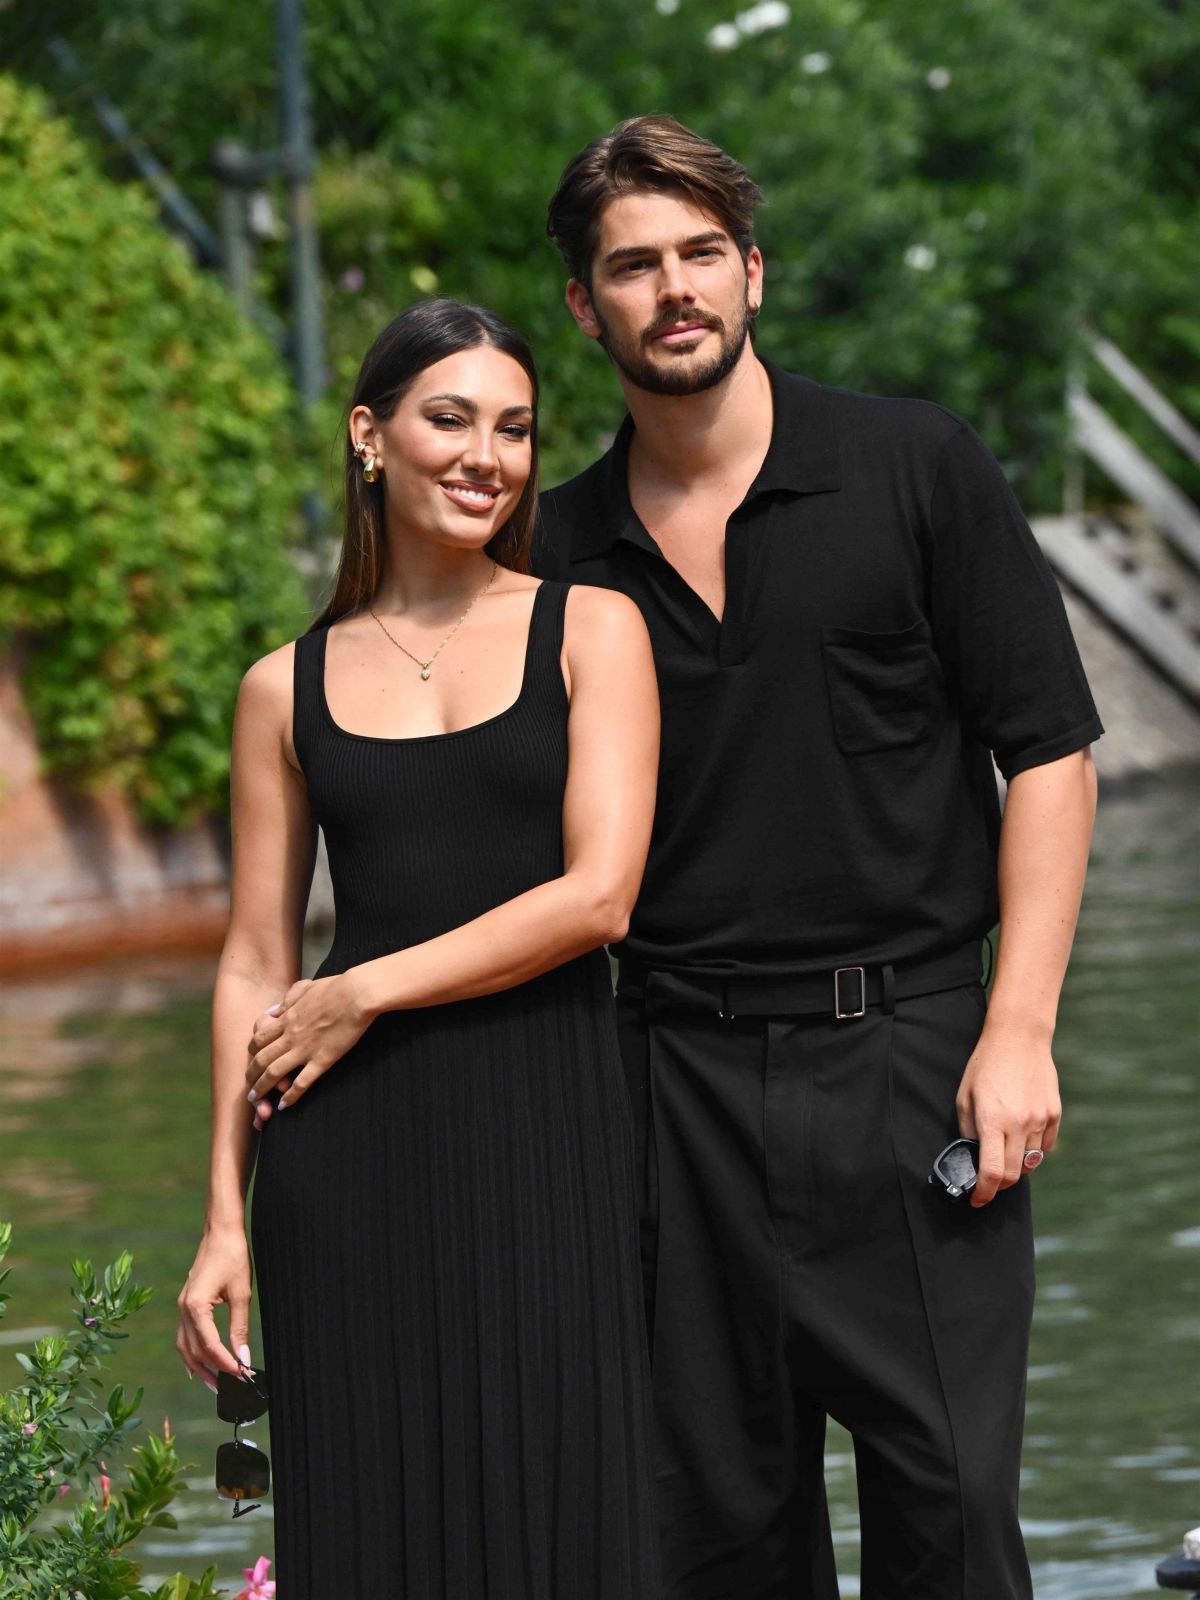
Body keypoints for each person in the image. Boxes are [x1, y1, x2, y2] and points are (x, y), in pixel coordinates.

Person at [536, 116, 1101, 1600]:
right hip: (665, 1092)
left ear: (754, 274)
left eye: (702, 255)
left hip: (911, 1062)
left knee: (956, 1517)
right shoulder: (552, 556)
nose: (676, 290)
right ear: (585, 308)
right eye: (634, 266)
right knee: (709, 1538)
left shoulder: (914, 467)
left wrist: (1020, 1027)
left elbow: (1045, 751)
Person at [176, 298, 662, 1599]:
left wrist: (361, 993)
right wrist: (225, 1218)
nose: (485, 456)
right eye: (449, 418)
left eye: (513, 428)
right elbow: (250, 960)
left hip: (547, 1131)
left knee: (567, 1511)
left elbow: (599, 897)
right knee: (371, 1529)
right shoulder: (285, 686)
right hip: (342, 1170)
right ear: (369, 438)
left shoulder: (593, 627)